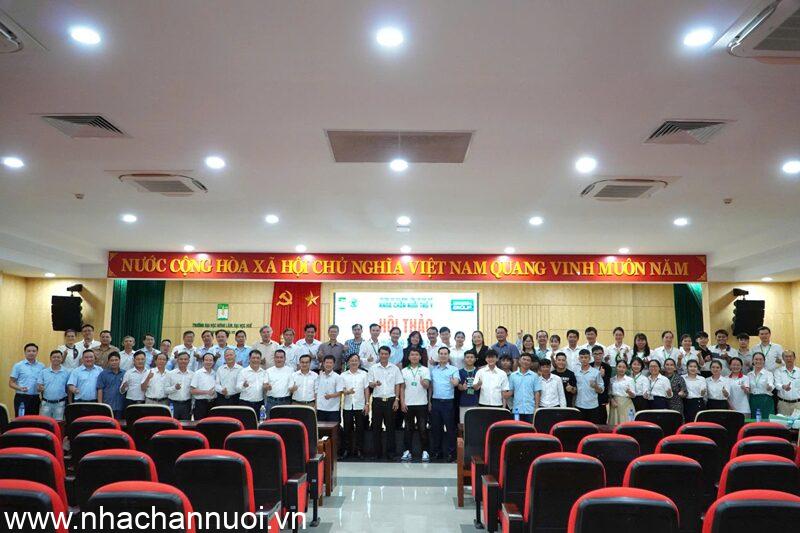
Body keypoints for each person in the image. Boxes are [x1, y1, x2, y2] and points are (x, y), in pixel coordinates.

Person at [368, 346, 403, 460]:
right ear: (379, 355)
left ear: (389, 355)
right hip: (377, 401)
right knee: (376, 428)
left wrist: (397, 400)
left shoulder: (395, 368)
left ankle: (391, 453)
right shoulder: (373, 368)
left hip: (391, 401)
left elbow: (398, 384)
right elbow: (370, 384)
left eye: (386, 354)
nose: (383, 356)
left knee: (391, 427)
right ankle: (377, 453)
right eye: (382, 354)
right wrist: (374, 384)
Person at [400, 347, 431, 462]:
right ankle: (407, 451)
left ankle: (425, 451)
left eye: (416, 355)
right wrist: (402, 402)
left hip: (422, 403)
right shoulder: (404, 371)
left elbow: (427, 385)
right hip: (408, 404)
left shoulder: (425, 370)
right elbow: (402, 388)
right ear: (408, 357)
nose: (414, 357)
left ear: (420, 357)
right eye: (412, 355)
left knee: (423, 428)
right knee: (408, 428)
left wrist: (424, 383)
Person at [429, 346, 460, 462]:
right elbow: (431, 387)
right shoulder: (433, 370)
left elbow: (456, 382)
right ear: (438, 355)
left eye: (445, 354)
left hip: (448, 403)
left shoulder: (453, 369)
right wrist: (429, 401)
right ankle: (437, 452)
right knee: (436, 429)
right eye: (441, 353)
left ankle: (451, 453)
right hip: (435, 402)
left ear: (448, 356)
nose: (443, 355)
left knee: (450, 429)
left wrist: (454, 382)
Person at [340, 353, 370, 459]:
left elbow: (366, 389)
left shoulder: (364, 374)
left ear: (359, 362)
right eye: (352, 360)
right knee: (347, 429)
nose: (354, 362)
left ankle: (359, 451)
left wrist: (367, 404)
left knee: (360, 429)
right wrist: (346, 391)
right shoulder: (343, 375)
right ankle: (346, 451)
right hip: (347, 406)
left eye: (356, 360)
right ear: (348, 362)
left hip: (360, 405)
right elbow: (341, 389)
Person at [504, 353, 541, 423]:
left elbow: (537, 393)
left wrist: (536, 408)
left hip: (530, 410)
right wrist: (503, 393)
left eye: (528, 360)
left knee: (530, 428)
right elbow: (511, 391)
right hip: (517, 410)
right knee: (517, 428)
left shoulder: (534, 376)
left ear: (531, 363)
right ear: (519, 361)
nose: (526, 361)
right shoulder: (513, 375)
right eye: (524, 359)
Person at [9, 343, 44, 416]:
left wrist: (41, 389)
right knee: (21, 420)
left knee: (34, 420)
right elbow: (11, 383)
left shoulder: (41, 366)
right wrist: (20, 388)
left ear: (37, 352)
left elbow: (42, 382)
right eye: (29, 351)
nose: (31, 353)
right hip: (21, 397)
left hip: (35, 398)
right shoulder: (18, 365)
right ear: (25, 352)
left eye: (34, 351)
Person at [37, 350, 69, 420]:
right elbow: (38, 387)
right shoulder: (43, 372)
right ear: (50, 358)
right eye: (54, 357)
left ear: (62, 359)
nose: (56, 359)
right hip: (45, 403)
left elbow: (69, 388)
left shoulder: (67, 372)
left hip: (60, 404)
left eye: (58, 357)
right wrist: (40, 388)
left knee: (58, 424)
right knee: (44, 423)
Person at [574, 350, 605, 422]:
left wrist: (595, 386)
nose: (584, 359)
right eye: (582, 357)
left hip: (593, 406)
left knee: (592, 427)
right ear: (579, 359)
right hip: (579, 405)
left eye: (586, 357)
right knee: (579, 427)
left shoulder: (596, 372)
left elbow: (601, 390)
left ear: (590, 358)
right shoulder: (576, 372)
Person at [237, 349, 268, 415]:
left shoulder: (264, 372)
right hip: (245, 403)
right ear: (249, 359)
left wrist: (266, 387)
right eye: (253, 358)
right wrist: (243, 385)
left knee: (260, 421)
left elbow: (265, 386)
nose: (255, 360)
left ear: (260, 360)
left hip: (260, 403)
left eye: (258, 358)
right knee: (245, 421)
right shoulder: (243, 372)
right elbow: (237, 388)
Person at [264, 349, 294, 416]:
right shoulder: (268, 371)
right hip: (271, 402)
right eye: (277, 357)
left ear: (285, 359)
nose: (279, 359)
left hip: (285, 402)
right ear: (274, 358)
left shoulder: (290, 370)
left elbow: (291, 387)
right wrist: (267, 387)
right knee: (270, 422)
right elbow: (265, 385)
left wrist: (293, 388)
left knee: (285, 422)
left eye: (281, 357)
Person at [745, 352, 774, 418]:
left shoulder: (769, 374)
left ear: (764, 361)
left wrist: (769, 387)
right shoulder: (749, 375)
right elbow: (748, 389)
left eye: (760, 359)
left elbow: (771, 385)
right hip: (753, 400)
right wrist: (745, 389)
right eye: (756, 359)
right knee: (754, 420)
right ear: (753, 361)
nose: (758, 361)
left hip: (766, 400)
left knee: (766, 421)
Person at [96, 352, 125, 419]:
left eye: (116, 360)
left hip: (121, 406)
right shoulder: (103, 374)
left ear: (119, 360)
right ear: (108, 362)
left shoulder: (125, 373)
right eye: (112, 360)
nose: (114, 362)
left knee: (119, 424)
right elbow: (100, 390)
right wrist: (100, 405)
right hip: (107, 406)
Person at [166, 352, 194, 420]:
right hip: (173, 404)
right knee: (172, 424)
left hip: (187, 404)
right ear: (177, 360)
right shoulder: (170, 374)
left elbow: (193, 391)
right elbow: (166, 390)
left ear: (188, 361)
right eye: (181, 359)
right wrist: (174, 388)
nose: (183, 361)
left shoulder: (193, 374)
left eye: (185, 359)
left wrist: (193, 405)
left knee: (186, 424)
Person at [316, 355, 343, 423]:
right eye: (327, 362)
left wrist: (330, 396)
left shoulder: (337, 377)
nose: (328, 364)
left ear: (333, 364)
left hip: (333, 409)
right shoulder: (319, 376)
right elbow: (316, 391)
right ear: (323, 364)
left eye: (330, 363)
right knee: (320, 428)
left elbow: (340, 392)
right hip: (320, 408)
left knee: (333, 428)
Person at [190, 353, 217, 420]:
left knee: (212, 423)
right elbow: (192, 391)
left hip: (213, 403)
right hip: (200, 404)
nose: (208, 362)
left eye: (210, 360)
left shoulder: (215, 373)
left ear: (213, 362)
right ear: (203, 361)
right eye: (206, 360)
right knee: (200, 423)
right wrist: (207, 392)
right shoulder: (198, 373)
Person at [608, 360, 635, 424]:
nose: (621, 369)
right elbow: (609, 393)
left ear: (626, 369)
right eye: (619, 367)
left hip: (626, 403)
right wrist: (611, 400)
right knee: (614, 423)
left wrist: (629, 392)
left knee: (626, 424)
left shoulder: (630, 380)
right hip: (614, 404)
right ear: (616, 367)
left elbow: (633, 395)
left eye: (623, 367)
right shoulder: (611, 380)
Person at [590, 345, 612, 424]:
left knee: (601, 420)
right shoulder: (589, 366)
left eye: (600, 353)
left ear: (603, 354)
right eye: (595, 354)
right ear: (592, 355)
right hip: (590, 397)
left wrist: (602, 377)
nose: (598, 356)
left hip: (601, 397)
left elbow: (606, 384)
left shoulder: (607, 367)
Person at [775, 350, 799, 416]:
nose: (788, 358)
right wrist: (783, 386)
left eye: (790, 356)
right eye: (786, 356)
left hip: (797, 404)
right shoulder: (778, 371)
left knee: (798, 423)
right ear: (783, 359)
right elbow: (776, 384)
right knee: (783, 422)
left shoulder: (799, 371)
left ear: (794, 358)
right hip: (783, 404)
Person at [457, 351, 480, 422]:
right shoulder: (460, 371)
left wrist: (478, 385)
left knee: (475, 423)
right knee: (463, 423)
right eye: (467, 357)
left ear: (475, 359)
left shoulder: (479, 371)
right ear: (464, 359)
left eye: (471, 357)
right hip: (464, 401)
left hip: (476, 402)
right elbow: (459, 386)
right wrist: (462, 387)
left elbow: (481, 385)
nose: (469, 359)